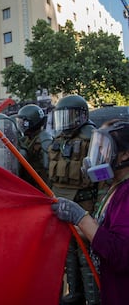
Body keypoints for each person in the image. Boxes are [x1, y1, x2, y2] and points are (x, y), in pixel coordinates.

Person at [52, 120, 129, 305]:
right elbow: (104, 232)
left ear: (125, 154)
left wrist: (81, 217)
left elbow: (120, 253)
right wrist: (71, 223)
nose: (97, 154)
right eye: (97, 147)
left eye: (103, 147)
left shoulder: (127, 193)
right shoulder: (117, 186)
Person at [48, 95, 98, 304]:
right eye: (62, 116)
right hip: (62, 201)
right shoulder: (58, 140)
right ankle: (74, 294)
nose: (66, 121)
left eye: (70, 116)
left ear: (82, 116)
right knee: (67, 252)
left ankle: (92, 298)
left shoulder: (92, 138)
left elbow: (102, 177)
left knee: (84, 253)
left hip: (85, 203)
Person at [16, 104, 53, 189]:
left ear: (33, 122)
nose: (21, 126)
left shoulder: (44, 140)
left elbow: (47, 168)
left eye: (23, 123)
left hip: (40, 185)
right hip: (29, 181)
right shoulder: (26, 139)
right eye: (19, 122)